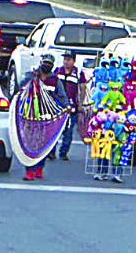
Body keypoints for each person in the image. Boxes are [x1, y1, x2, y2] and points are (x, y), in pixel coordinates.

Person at [16, 53, 68, 181]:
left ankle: (39, 168)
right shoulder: (32, 76)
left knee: (43, 143)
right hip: (30, 115)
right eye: (45, 63)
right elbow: (21, 88)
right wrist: (32, 77)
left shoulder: (55, 80)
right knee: (29, 143)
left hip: (47, 116)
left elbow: (62, 96)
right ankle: (29, 170)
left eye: (49, 64)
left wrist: (67, 107)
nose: (46, 66)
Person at [52, 51, 87, 161]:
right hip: (57, 106)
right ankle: (51, 152)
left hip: (72, 107)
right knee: (55, 130)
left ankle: (63, 152)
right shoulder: (57, 71)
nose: (66, 62)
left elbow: (83, 89)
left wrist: (80, 104)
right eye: (65, 59)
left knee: (68, 131)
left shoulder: (78, 73)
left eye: (68, 59)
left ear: (74, 61)